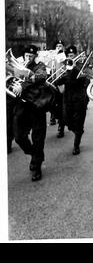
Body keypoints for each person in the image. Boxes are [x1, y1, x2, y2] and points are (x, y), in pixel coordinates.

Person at [12, 45, 49, 181]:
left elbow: (42, 76)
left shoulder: (40, 66)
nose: (29, 58)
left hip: (36, 106)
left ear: (35, 57)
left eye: (31, 56)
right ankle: (34, 154)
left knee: (38, 138)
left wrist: (24, 83)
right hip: (22, 106)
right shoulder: (18, 65)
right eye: (27, 56)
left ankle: (37, 166)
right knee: (19, 137)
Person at [56, 45, 89, 155]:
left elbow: (83, 79)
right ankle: (77, 131)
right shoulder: (65, 66)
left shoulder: (81, 65)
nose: (70, 57)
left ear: (76, 55)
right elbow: (58, 82)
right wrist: (59, 72)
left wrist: (74, 68)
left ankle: (76, 145)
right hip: (68, 97)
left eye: (72, 55)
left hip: (79, 97)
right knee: (66, 120)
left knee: (79, 122)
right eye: (68, 55)